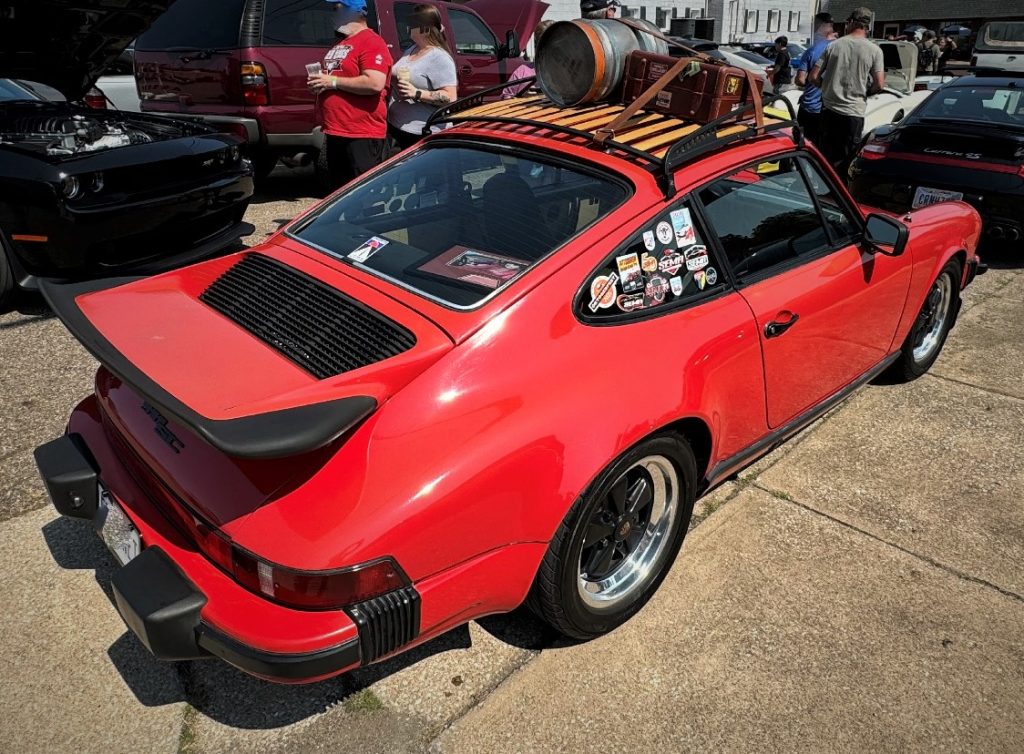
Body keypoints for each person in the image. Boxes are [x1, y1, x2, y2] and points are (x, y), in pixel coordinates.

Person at [308, 0, 392, 190]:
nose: (331, 14)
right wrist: (321, 85)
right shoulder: (343, 43)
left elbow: (374, 82)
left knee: (364, 194)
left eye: (336, 9)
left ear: (354, 11)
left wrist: (333, 82)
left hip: (361, 132)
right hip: (335, 130)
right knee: (341, 193)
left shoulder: (372, 42)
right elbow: (333, 79)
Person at [809, 7, 885, 170]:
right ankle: (839, 192)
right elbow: (879, 84)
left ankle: (820, 190)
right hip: (853, 113)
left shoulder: (833, 46)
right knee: (846, 160)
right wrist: (865, 93)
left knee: (824, 158)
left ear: (850, 22)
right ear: (868, 26)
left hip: (829, 110)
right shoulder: (875, 51)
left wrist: (827, 87)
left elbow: (813, 77)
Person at [387, 4, 458, 151]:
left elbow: (450, 98)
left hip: (422, 134)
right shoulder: (411, 49)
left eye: (412, 24)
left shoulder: (439, 57)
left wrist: (417, 93)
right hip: (398, 127)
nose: (407, 27)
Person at [794, 12, 834, 146]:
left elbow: (800, 80)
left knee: (801, 144)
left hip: (810, 107)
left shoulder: (812, 50)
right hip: (831, 108)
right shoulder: (840, 48)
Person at [502, 20, 554, 99]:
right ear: (537, 46)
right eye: (544, 43)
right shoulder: (522, 72)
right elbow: (506, 96)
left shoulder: (567, 73)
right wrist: (521, 99)